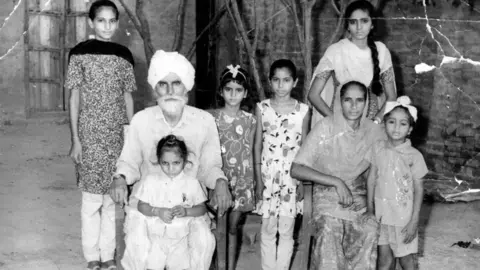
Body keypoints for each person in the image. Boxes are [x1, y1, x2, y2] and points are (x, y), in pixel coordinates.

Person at [109, 50, 231, 270]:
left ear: (186, 86)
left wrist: (220, 182)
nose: (170, 91)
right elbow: (128, 163)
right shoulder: (141, 120)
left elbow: (211, 167)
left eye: (176, 83)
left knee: (203, 242)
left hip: (187, 209)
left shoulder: (204, 121)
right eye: (162, 84)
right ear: (155, 88)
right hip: (147, 208)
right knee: (138, 244)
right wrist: (119, 178)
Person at [65, 0, 136, 269]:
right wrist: (75, 139)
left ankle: (108, 256)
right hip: (90, 136)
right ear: (91, 22)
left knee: (111, 200)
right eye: (101, 20)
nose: (107, 26)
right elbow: (73, 98)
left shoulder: (123, 55)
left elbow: (128, 98)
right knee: (91, 201)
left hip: (117, 136)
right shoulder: (79, 54)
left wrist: (132, 137)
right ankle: (91, 256)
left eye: (112, 21)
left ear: (117, 23)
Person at [291, 81, 385, 269]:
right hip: (326, 195)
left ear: (366, 103)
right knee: (330, 228)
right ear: (340, 102)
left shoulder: (374, 132)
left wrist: (368, 201)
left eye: (359, 100)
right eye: (348, 100)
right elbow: (296, 168)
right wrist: (336, 182)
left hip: (358, 196)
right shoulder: (325, 127)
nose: (353, 106)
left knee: (370, 229)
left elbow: (379, 173)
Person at [254, 59, 310, 270]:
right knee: (268, 229)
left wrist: (302, 180)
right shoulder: (262, 108)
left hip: (291, 178)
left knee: (287, 230)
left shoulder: (303, 111)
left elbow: (305, 148)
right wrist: (258, 180)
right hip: (268, 177)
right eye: (276, 80)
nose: (281, 85)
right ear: (270, 81)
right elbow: (257, 146)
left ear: (294, 82)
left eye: (286, 80)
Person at [364, 96, 428, 270]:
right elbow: (371, 179)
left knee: (407, 260)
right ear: (384, 124)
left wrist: (414, 221)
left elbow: (419, 189)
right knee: (384, 261)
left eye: (403, 124)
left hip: (403, 219)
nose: (396, 128)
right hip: (382, 216)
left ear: (410, 129)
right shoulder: (377, 147)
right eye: (392, 122)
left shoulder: (414, 156)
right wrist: (370, 209)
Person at [308, 0, 396, 126]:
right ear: (347, 25)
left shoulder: (382, 51)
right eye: (353, 22)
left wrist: (375, 123)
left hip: (370, 124)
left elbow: (391, 97)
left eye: (364, 21)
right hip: (340, 122)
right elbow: (313, 95)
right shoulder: (336, 50)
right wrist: (336, 122)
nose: (359, 27)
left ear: (372, 24)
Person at [209, 65, 257, 270]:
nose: (233, 94)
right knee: (218, 226)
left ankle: (229, 266)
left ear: (245, 93)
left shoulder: (250, 120)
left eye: (238, 90)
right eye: (229, 89)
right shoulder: (211, 118)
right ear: (221, 91)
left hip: (242, 180)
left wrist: (256, 181)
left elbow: (253, 150)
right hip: (220, 178)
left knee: (232, 227)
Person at [135, 135, 207, 270]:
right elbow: (141, 205)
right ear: (159, 161)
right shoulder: (151, 181)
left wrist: (187, 211)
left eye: (176, 163)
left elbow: (202, 208)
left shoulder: (191, 183)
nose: (170, 168)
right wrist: (157, 211)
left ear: (184, 161)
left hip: (181, 238)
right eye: (165, 163)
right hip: (155, 237)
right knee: (152, 265)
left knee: (181, 265)